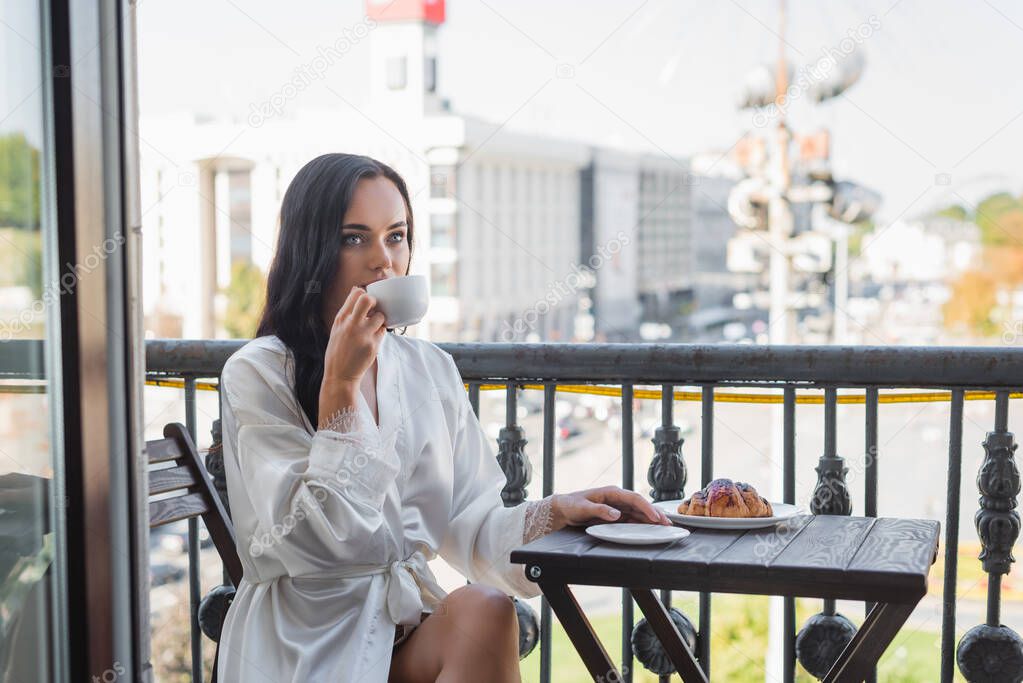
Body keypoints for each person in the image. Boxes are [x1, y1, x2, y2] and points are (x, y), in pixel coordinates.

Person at [216, 153, 672, 683]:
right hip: (301, 644)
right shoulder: (259, 373)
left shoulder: (429, 370)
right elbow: (318, 544)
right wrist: (340, 388)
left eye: (396, 236)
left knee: (485, 611)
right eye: (354, 238)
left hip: (400, 630)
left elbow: (474, 529)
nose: (382, 261)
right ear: (309, 250)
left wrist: (559, 512)